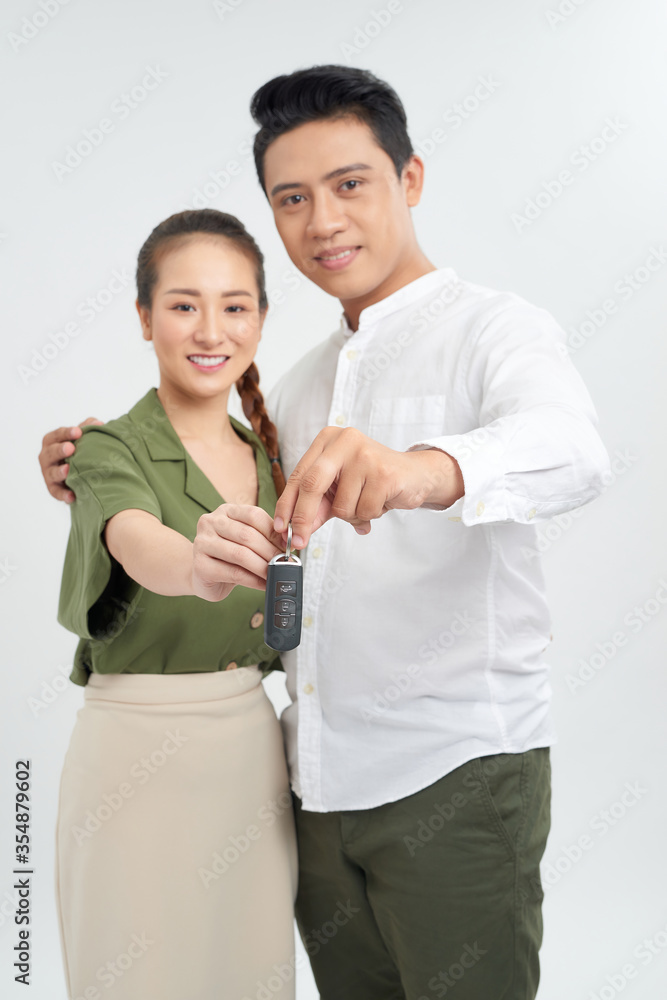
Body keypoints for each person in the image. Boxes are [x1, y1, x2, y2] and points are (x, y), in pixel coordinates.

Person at [40, 66, 611, 1000]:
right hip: (308, 784)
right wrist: (85, 467)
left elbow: (574, 450)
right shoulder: (301, 381)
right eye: (292, 199)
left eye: (351, 185)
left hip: (453, 772)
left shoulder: (493, 331)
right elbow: (190, 490)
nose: (323, 221)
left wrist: (421, 469)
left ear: (410, 179)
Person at [51, 208, 298, 1000]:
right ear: (143, 317)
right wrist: (197, 563)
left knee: (247, 968)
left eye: (235, 305)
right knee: (132, 969)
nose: (211, 329)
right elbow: (133, 538)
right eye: (184, 304)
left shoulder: (271, 450)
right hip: (133, 753)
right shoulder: (106, 446)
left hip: (249, 752)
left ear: (261, 318)